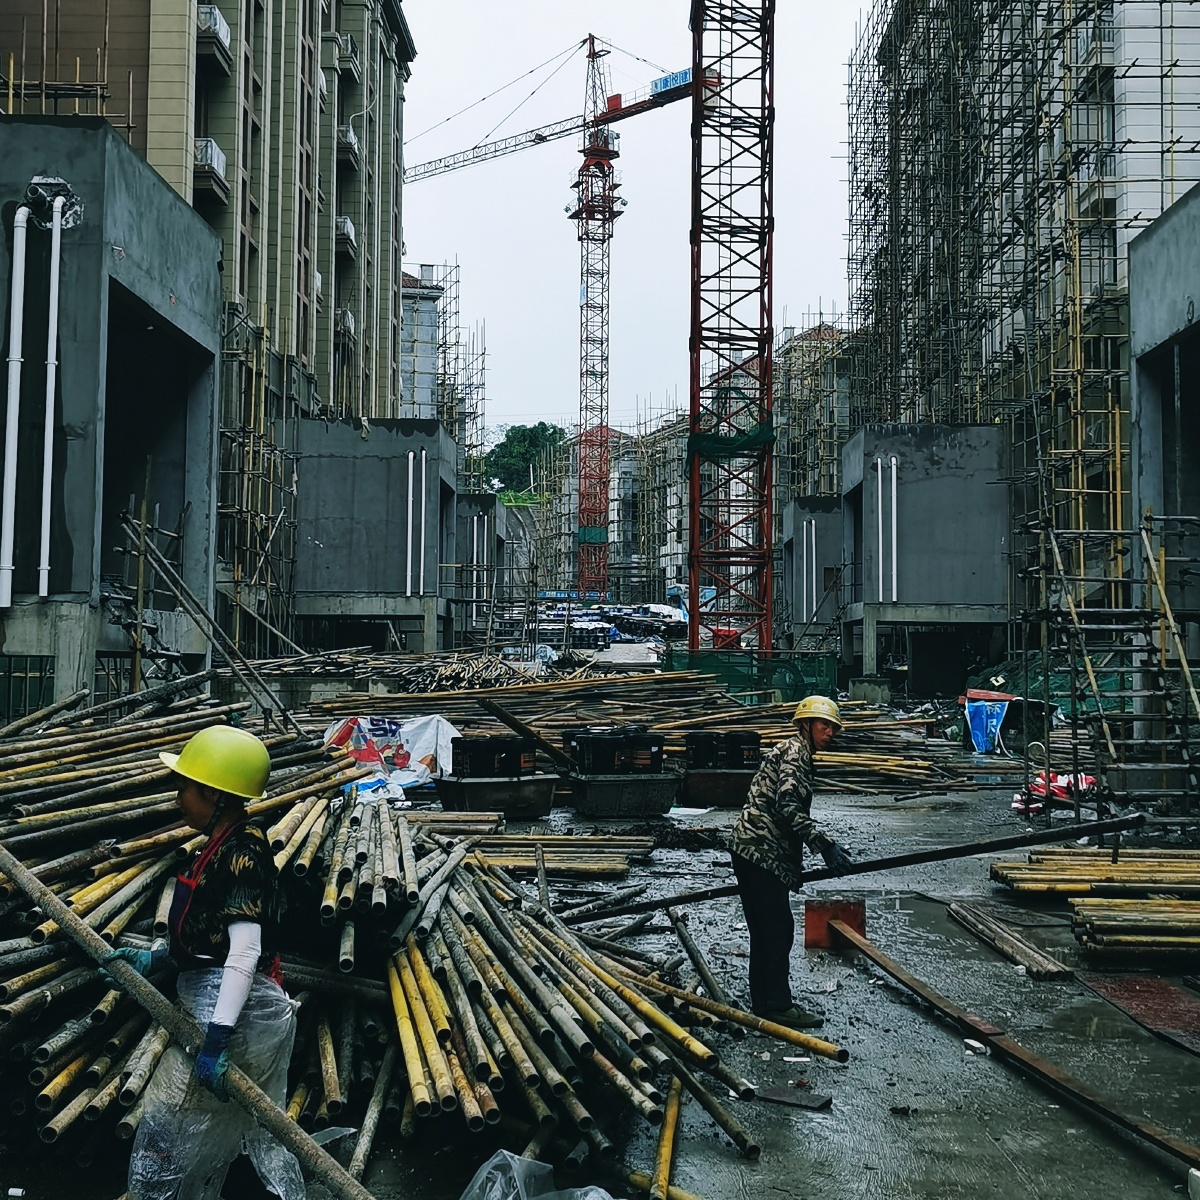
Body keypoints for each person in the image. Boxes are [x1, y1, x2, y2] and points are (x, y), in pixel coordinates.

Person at [104, 724, 304, 1200]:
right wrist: (157, 959)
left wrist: (216, 1040)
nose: (178, 799)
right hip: (217, 1008)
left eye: (185, 788)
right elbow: (207, 936)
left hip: (238, 1021)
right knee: (217, 1134)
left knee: (167, 1118)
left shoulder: (243, 854)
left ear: (215, 795)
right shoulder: (213, 848)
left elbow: (244, 951)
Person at [728, 695, 853, 1030]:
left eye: (832, 727)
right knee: (777, 929)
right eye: (824, 725)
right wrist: (824, 845)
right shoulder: (797, 753)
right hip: (760, 850)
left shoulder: (793, 750)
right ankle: (777, 1006)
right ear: (806, 725)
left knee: (766, 929)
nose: (829, 732)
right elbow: (788, 806)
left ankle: (764, 1001)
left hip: (749, 848)